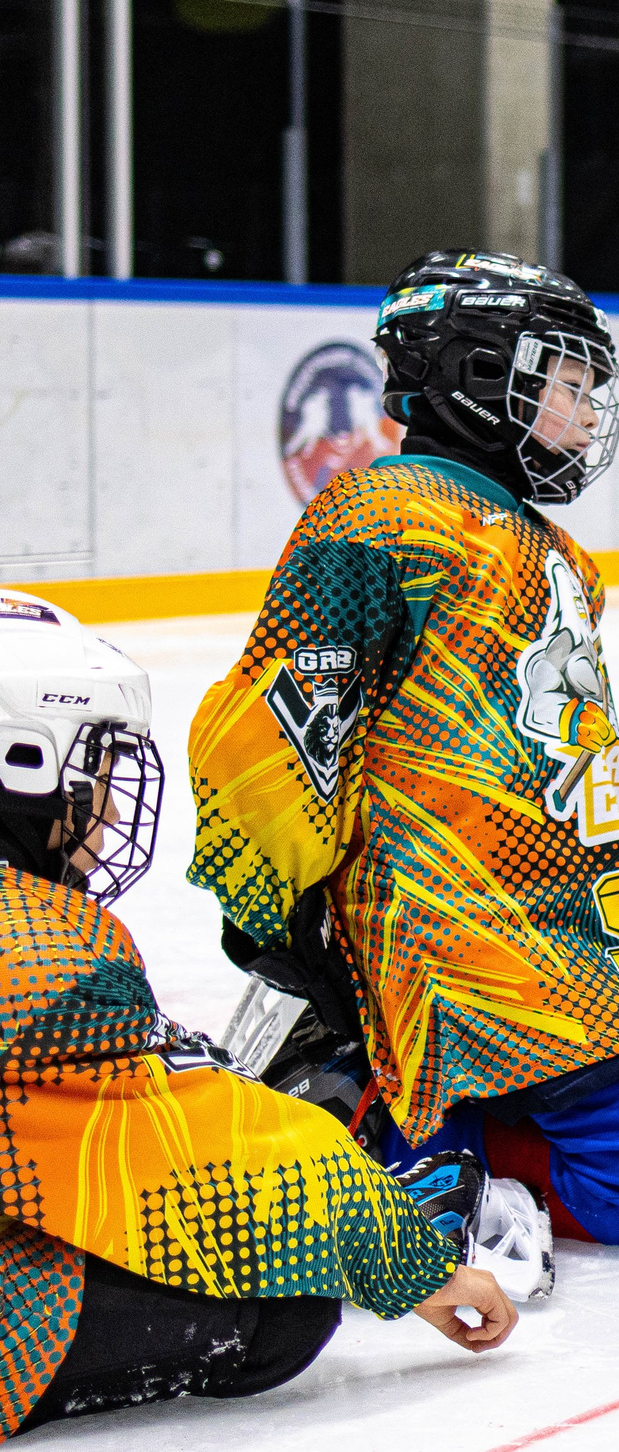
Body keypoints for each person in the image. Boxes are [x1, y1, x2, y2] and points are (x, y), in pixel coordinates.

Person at [191, 250, 619, 1257]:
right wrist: (279, 903)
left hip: (578, 919)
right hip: (448, 922)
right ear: (474, 374)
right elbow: (279, 718)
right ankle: (392, 1125)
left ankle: (460, 1105)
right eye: (566, 382)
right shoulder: (375, 515)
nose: (588, 412)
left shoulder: (554, 550)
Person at [1, 592, 518, 1436]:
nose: (111, 807)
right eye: (94, 768)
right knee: (288, 1305)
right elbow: (200, 1150)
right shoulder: (47, 956)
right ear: (20, 760)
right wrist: (404, 1254)